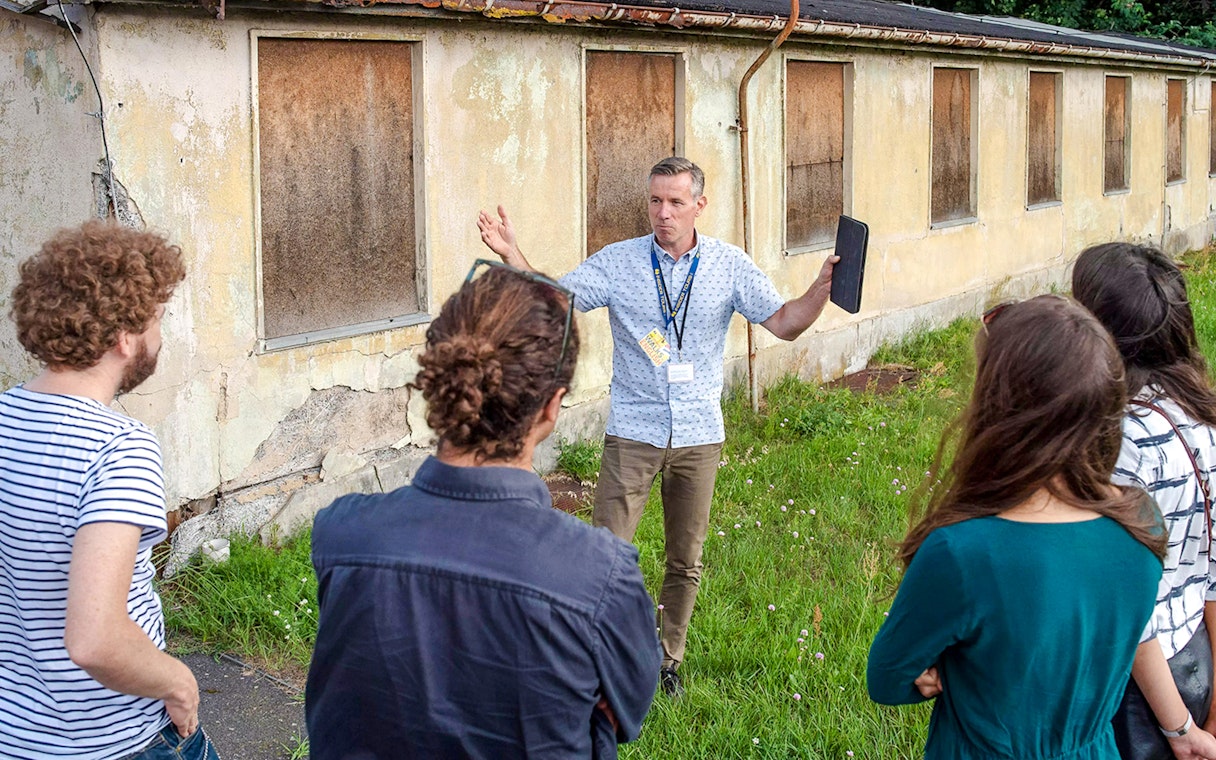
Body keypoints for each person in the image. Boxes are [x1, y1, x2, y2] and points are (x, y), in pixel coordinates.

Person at [477, 156, 838, 695]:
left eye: (674, 202)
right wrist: (512, 256)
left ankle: (668, 658)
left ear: (699, 204)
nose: (662, 213)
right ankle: (603, 657)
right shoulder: (620, 263)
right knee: (605, 553)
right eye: (654, 201)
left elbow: (783, 323)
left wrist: (822, 287)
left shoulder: (728, 265)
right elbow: (556, 302)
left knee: (684, 559)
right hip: (634, 430)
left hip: (698, 435)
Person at [305, 259, 661, 759]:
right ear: (551, 407)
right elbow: (625, 710)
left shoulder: (341, 533)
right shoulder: (599, 576)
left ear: (440, 379)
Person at [867, 295, 1166, 759]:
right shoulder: (1143, 521)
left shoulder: (962, 551)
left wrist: (936, 670)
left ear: (998, 409)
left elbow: (887, 677)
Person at [0, 221, 218, 760]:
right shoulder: (119, 449)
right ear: (124, 338)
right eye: (158, 319)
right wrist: (177, 681)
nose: (160, 336)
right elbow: (94, 638)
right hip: (114, 738)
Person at [1073, 243, 1216, 760]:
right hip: (1194, 659)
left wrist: (1178, 729)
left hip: (1142, 689)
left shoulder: (1121, 441)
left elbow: (1130, 604)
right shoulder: (1201, 415)